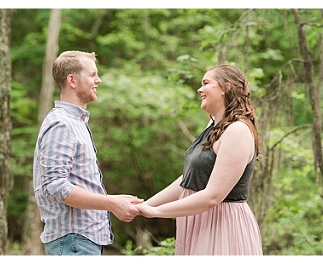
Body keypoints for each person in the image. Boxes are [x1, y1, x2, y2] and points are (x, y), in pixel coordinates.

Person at [135, 64, 263, 255]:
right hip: (200, 223)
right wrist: (145, 205)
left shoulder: (237, 131)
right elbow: (188, 179)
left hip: (222, 227)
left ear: (225, 88)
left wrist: (157, 212)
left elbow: (213, 196)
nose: (199, 89)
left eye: (205, 83)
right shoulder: (213, 127)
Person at [33, 50, 143, 255]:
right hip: (73, 241)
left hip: (80, 240)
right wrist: (112, 203)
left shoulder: (76, 123)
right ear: (72, 80)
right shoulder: (61, 123)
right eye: (92, 75)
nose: (98, 80)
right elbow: (56, 186)